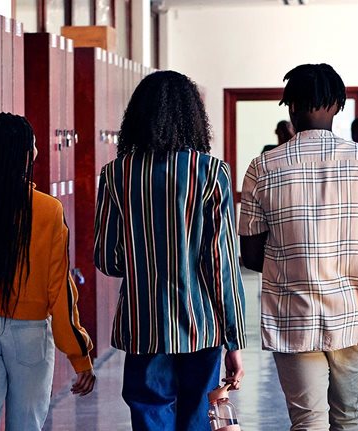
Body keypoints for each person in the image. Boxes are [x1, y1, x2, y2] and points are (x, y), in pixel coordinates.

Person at [238, 63, 358, 431]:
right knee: (347, 420)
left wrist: (296, 259)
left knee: (307, 422)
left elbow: (250, 256)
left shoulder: (261, 168)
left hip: (291, 318)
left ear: (290, 106)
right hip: (352, 317)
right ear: (338, 106)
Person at [94, 71, 246, 431]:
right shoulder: (211, 173)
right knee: (197, 415)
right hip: (202, 325)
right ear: (194, 117)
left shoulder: (117, 173)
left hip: (142, 324)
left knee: (149, 412)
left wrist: (142, 259)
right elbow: (221, 262)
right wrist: (234, 339)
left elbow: (107, 258)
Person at [0, 113, 95, 431]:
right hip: (27, 334)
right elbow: (60, 290)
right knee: (26, 424)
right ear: (27, 154)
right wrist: (79, 355)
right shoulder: (46, 210)